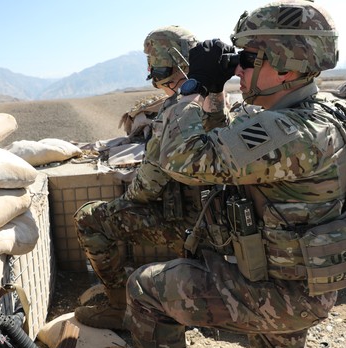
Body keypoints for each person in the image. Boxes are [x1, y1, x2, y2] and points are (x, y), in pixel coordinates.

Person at [125, 1, 346, 348]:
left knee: (144, 289)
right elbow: (226, 147)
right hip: (303, 277)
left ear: (286, 65)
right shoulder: (319, 111)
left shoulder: (295, 132)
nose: (237, 67)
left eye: (248, 58)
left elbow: (184, 160)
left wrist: (189, 90)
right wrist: (214, 93)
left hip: (280, 292)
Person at [73, 25, 231, 330]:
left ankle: (119, 309)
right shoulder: (216, 98)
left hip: (193, 227)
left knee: (90, 219)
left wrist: (124, 202)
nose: (154, 74)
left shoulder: (178, 109)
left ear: (172, 66)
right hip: (222, 225)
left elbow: (147, 186)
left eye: (156, 67)